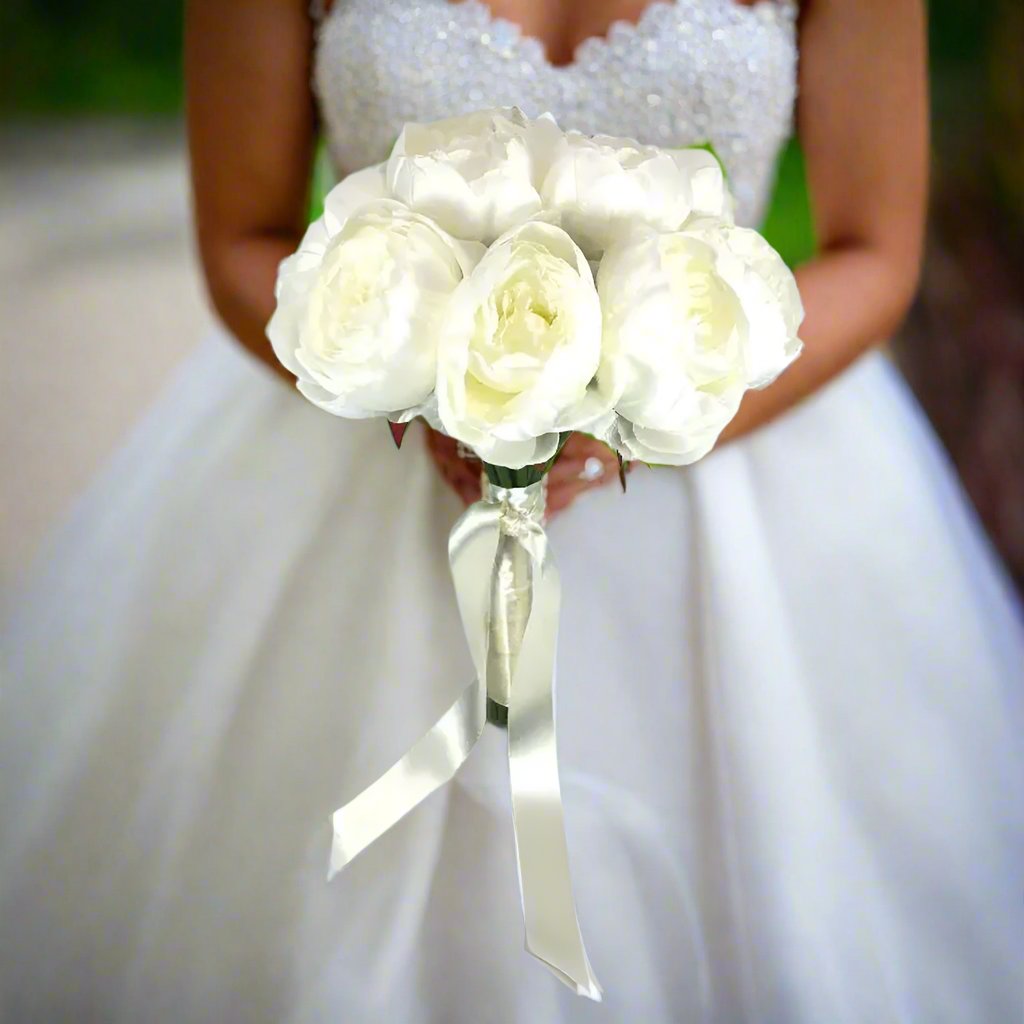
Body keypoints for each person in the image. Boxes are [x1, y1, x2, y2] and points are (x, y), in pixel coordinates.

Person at [2, 0, 1021, 1020]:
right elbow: (242, 235)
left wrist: (649, 405)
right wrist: (418, 385)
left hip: (748, 475)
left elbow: (873, 248)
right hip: (369, 472)